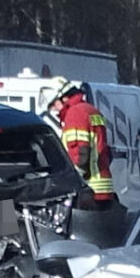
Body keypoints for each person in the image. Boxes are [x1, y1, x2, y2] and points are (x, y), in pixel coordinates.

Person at [49, 78, 116, 208]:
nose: (55, 109)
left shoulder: (75, 114)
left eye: (55, 104)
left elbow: (80, 155)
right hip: (103, 189)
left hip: (88, 192)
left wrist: (73, 184)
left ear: (64, 98)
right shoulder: (91, 110)